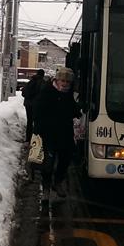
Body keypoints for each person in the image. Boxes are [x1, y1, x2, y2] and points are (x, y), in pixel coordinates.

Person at [33, 67, 80, 201]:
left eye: (67, 82)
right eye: (62, 80)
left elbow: (71, 109)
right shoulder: (47, 92)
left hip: (65, 133)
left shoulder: (69, 94)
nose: (65, 84)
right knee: (47, 163)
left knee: (65, 159)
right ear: (57, 80)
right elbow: (37, 111)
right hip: (48, 134)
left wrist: (77, 110)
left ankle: (58, 182)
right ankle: (46, 188)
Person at [22, 69, 45, 142]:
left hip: (28, 104)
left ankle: (28, 139)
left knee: (29, 121)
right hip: (36, 105)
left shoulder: (30, 81)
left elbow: (23, 93)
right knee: (37, 122)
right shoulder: (42, 83)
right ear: (43, 75)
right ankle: (35, 140)